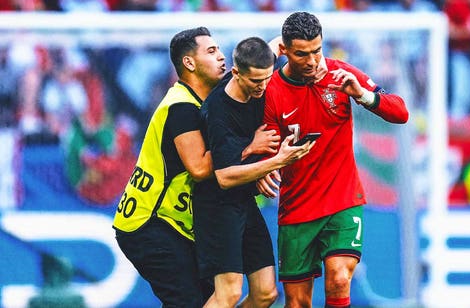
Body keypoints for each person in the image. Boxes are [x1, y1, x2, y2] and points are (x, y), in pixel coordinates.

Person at [258, 12, 409, 308]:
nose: (313, 61)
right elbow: (268, 145)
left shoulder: (340, 74)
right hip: (297, 206)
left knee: (339, 278)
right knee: (298, 301)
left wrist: (363, 95)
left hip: (343, 199)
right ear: (284, 51)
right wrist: (265, 164)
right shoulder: (272, 90)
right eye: (302, 54)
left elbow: (401, 112)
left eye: (317, 50)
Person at [193, 36, 315, 308]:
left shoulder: (260, 75)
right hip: (217, 208)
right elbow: (225, 177)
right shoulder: (218, 110)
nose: (263, 87)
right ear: (235, 73)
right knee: (229, 293)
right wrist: (276, 161)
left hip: (244, 204)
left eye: (267, 78)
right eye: (256, 81)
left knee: (266, 293)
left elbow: (271, 47)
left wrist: (284, 42)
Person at [112, 26, 226, 307]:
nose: (222, 57)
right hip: (149, 222)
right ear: (189, 62)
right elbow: (199, 168)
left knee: (209, 297)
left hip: (169, 223)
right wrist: (245, 144)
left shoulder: (197, 102)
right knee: (188, 301)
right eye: (212, 51)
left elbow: (250, 70)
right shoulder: (181, 107)